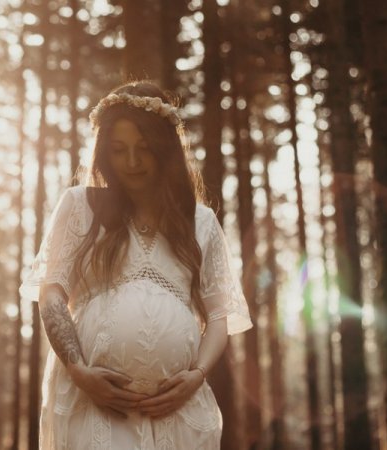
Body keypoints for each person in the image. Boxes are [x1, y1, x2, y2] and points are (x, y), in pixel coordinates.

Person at [19, 81, 252, 449]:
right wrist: (79, 372)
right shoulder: (81, 206)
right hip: (93, 403)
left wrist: (196, 375)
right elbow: (51, 295)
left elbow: (219, 316)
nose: (131, 162)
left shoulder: (200, 222)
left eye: (143, 149)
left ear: (166, 151)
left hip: (178, 411)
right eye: (118, 150)